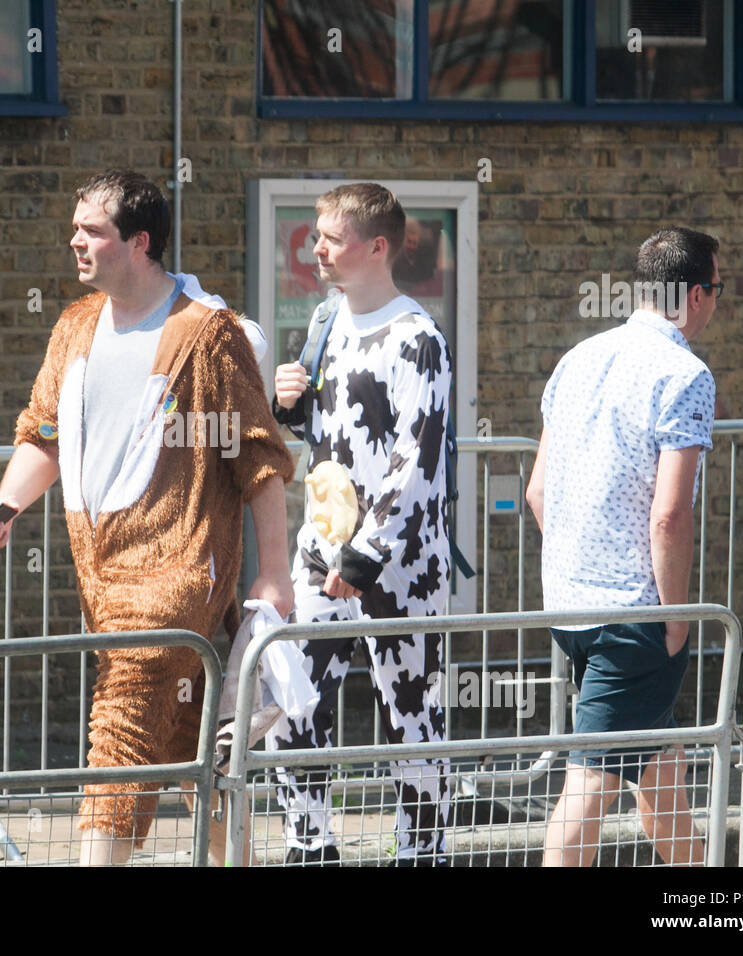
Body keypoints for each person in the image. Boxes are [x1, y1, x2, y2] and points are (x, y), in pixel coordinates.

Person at [0, 169, 295, 866]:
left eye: (93, 231)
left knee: (119, 729)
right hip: (105, 578)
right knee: (190, 748)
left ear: (140, 242)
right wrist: (8, 501)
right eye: (76, 228)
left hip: (175, 577)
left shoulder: (205, 336)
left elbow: (260, 460)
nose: (75, 242)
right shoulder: (76, 327)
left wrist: (275, 575)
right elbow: (44, 433)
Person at [268, 183, 453, 866]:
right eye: (316, 234)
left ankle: (421, 850)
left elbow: (417, 455)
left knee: (410, 715)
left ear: (377, 247)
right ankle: (309, 843)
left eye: (332, 237)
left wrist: (367, 555)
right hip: (321, 548)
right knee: (293, 697)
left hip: (399, 562)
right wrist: (289, 406)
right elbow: (328, 437)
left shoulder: (418, 338)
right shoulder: (322, 322)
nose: (317, 247)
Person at [526, 226, 722, 867]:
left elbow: (537, 493)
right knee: (589, 784)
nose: (715, 304)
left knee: (660, 766)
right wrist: (674, 617)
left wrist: (577, 571)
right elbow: (669, 516)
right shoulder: (685, 373)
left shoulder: (577, 357)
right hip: (635, 618)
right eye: (716, 290)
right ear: (695, 295)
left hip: (570, 608)